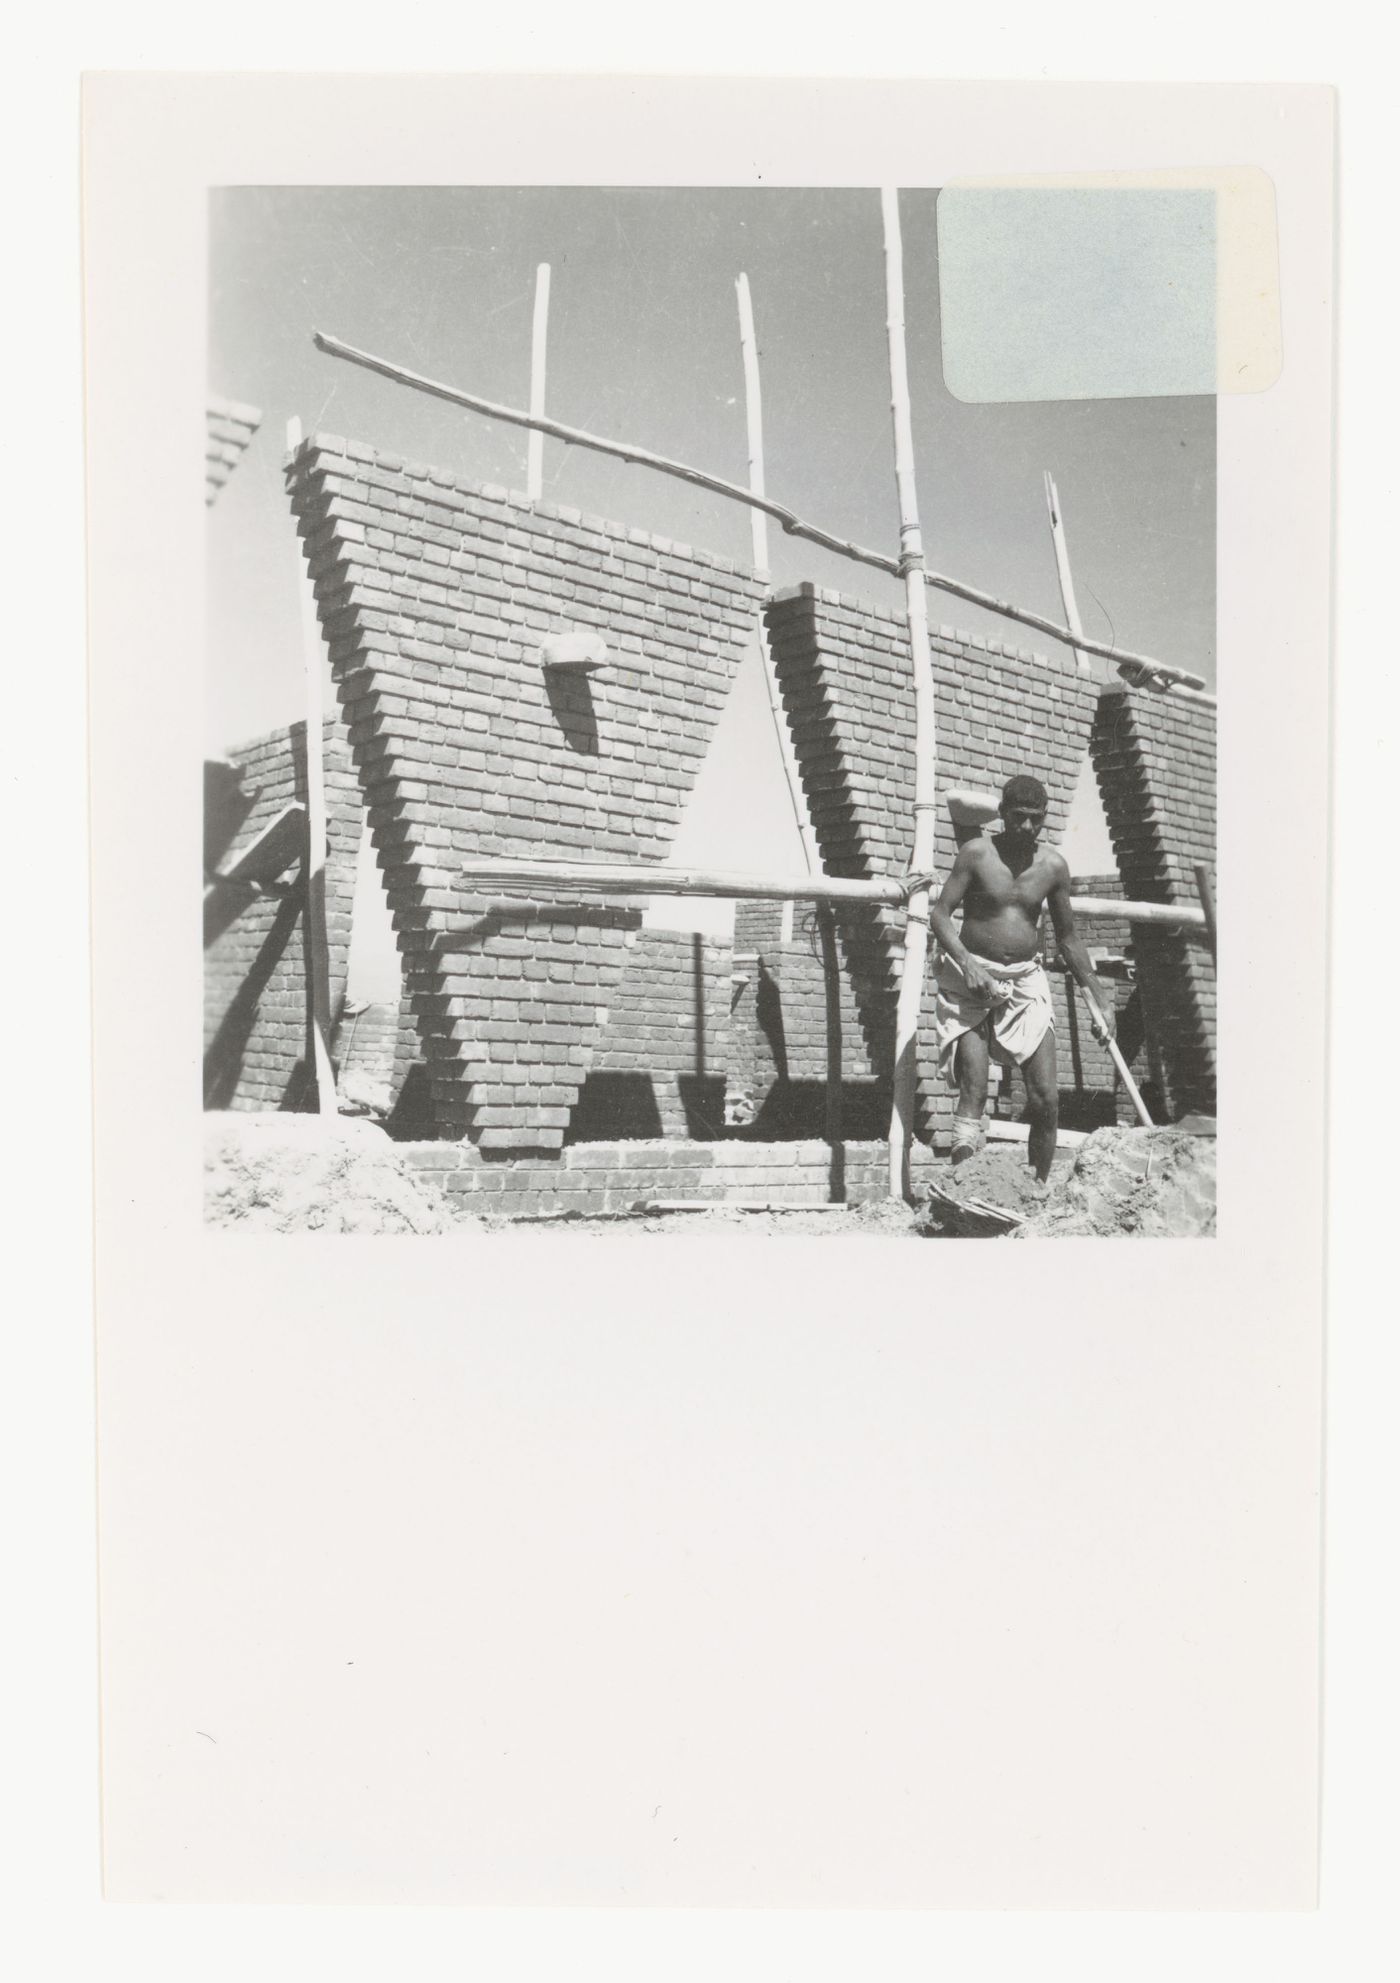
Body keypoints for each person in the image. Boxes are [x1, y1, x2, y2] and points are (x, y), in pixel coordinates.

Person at [928, 773, 1114, 1185]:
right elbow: (940, 914)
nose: (1027, 827)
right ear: (1002, 814)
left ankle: (1037, 1191)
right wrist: (969, 966)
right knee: (974, 1090)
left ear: (1044, 817)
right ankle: (963, 1189)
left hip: (1025, 982)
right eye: (1018, 818)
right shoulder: (977, 854)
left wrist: (1100, 997)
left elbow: (1068, 938)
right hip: (970, 978)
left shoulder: (1052, 866)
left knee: (1045, 1097)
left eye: (1035, 819)